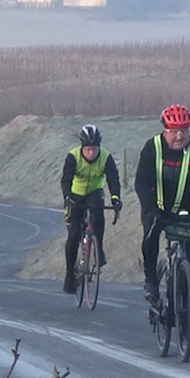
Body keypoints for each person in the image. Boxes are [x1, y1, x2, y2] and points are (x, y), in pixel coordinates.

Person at [135, 104, 190, 308]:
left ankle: (187, 306)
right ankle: (151, 280)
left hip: (185, 208)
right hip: (156, 207)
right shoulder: (152, 147)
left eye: (184, 131)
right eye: (174, 131)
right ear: (165, 130)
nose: (179, 136)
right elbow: (141, 182)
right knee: (150, 235)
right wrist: (150, 209)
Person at [61, 124, 123, 294]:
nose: (91, 153)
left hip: (95, 191)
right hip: (76, 193)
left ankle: (98, 248)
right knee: (74, 234)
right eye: (88, 149)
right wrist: (67, 197)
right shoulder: (73, 156)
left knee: (98, 218)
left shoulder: (105, 157)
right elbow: (66, 179)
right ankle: (69, 273)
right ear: (82, 147)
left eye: (94, 149)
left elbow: (113, 180)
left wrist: (116, 198)